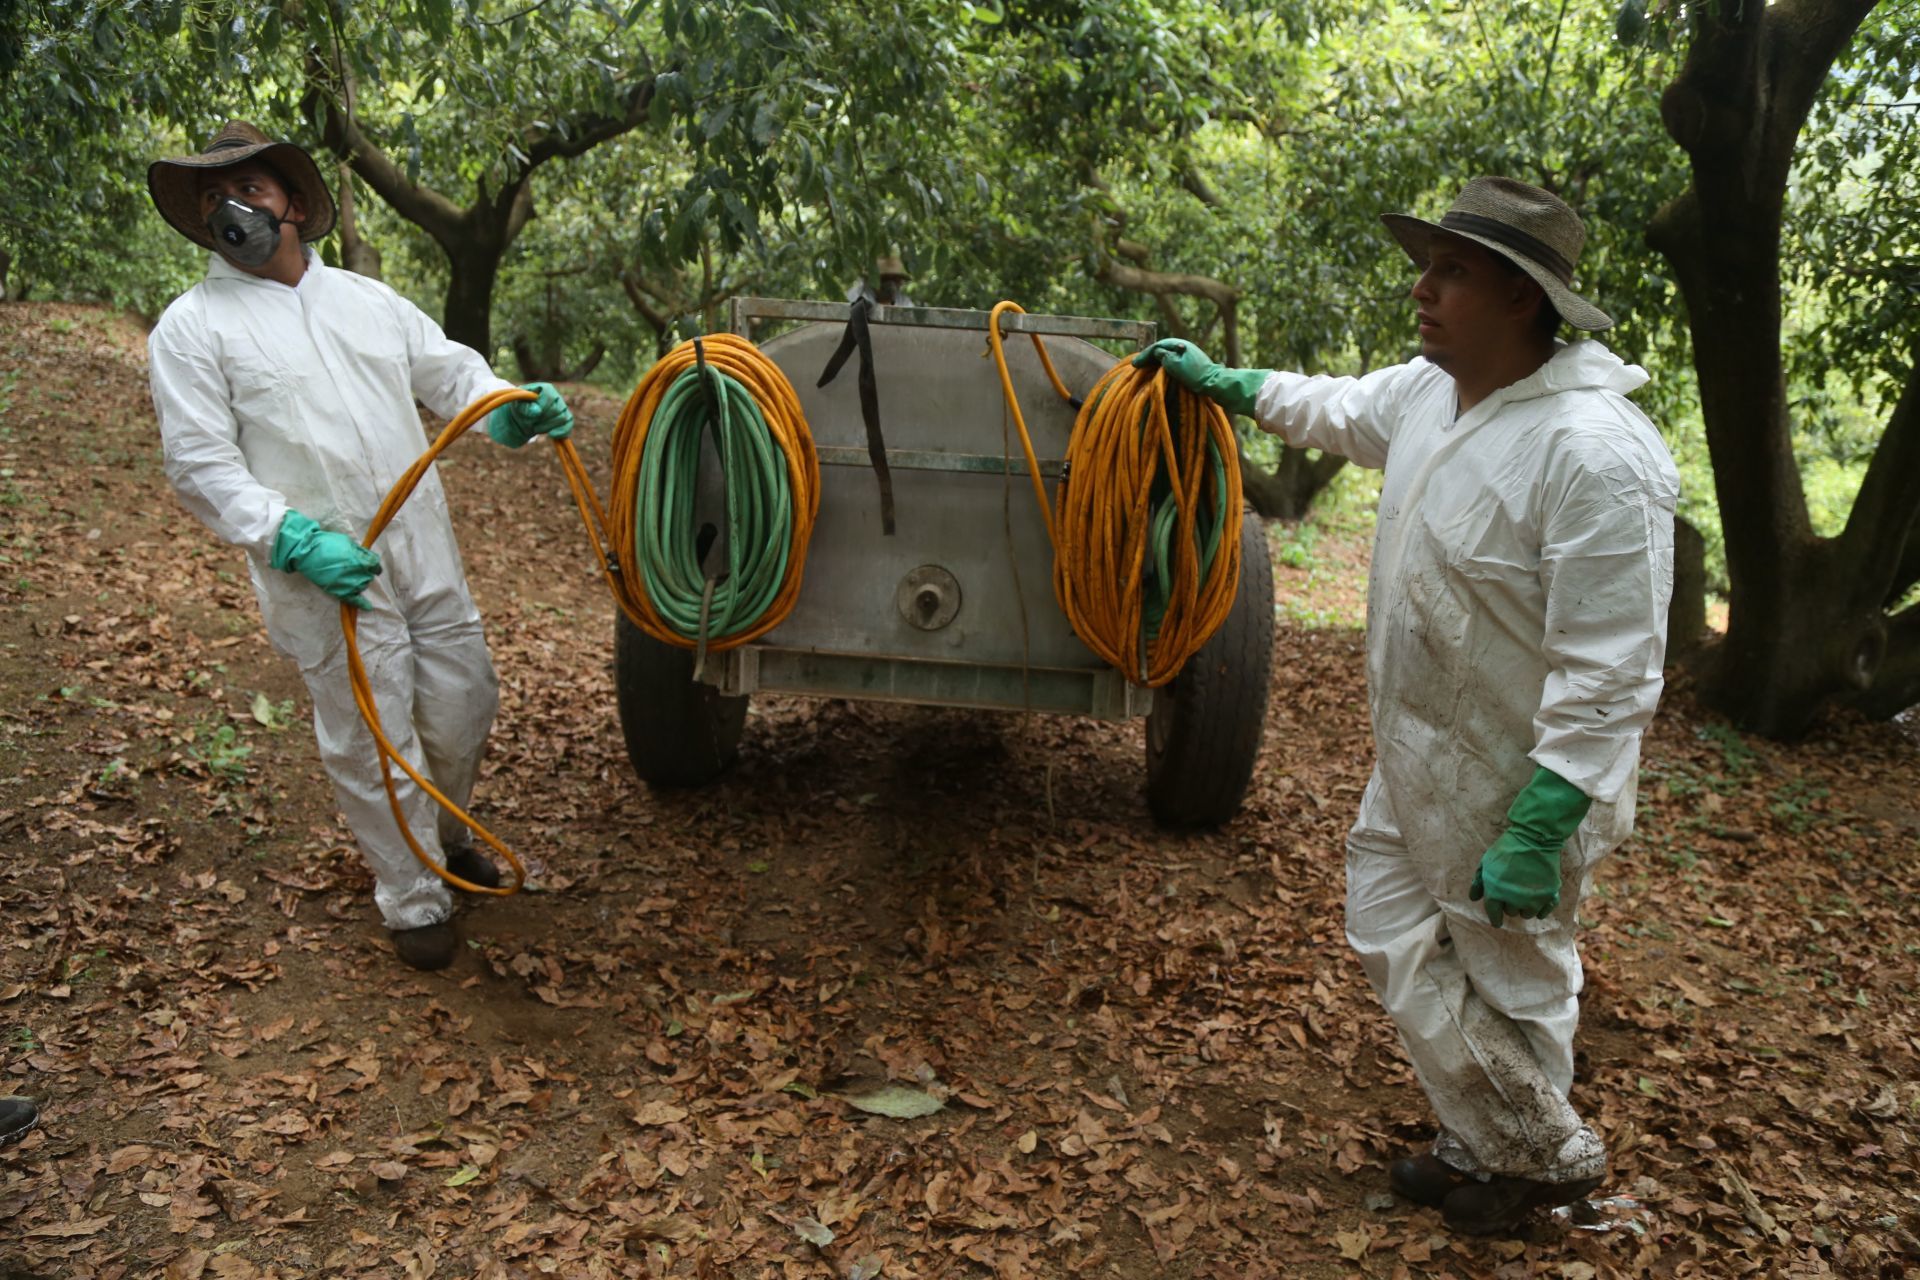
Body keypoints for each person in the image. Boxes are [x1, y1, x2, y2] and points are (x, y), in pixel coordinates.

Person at [1138, 176, 1678, 1234]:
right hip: (1419, 752)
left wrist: (1544, 819)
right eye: (1426, 267)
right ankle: (1502, 1138)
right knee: (1391, 922)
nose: (1423, 290)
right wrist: (1229, 383)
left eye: (1452, 272)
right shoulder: (1432, 393)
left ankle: (1530, 1163)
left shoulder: (1595, 453)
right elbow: (1333, 405)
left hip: (1519, 779)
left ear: (1523, 298)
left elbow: (1612, 664)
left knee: (1514, 972)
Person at [145, 122, 575, 970]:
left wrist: (508, 406)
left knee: (463, 703)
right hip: (320, 570)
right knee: (370, 729)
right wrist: (288, 536)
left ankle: (444, 840)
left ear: (295, 204)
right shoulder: (191, 329)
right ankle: (412, 897)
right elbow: (198, 462)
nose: (231, 208)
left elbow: (450, 375)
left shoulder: (367, 300)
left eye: (251, 190)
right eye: (212, 198)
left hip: (421, 544)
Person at [845, 254, 915, 308]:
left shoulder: (902, 300)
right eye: (885, 278)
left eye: (895, 279)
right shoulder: (858, 294)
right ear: (871, 280)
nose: (890, 284)